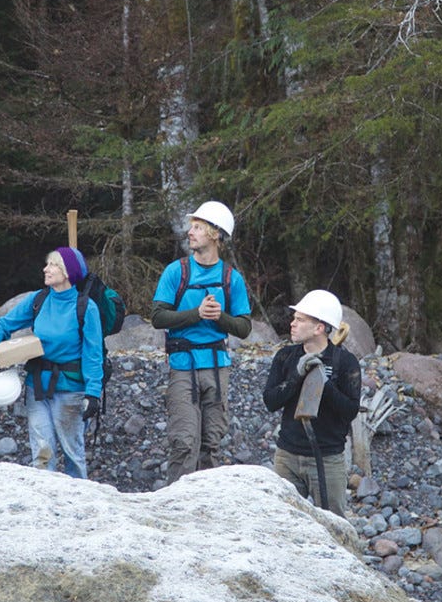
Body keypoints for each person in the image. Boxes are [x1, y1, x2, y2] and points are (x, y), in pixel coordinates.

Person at [152, 201, 252, 483]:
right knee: (184, 442)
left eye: (198, 227)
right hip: (183, 366)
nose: (190, 232)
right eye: (192, 226)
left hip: (218, 366)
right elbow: (158, 317)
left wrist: (219, 317)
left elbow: (244, 328)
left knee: (212, 442)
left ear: (215, 235)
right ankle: (177, 508)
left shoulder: (232, 279)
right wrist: (197, 314)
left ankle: (209, 510)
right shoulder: (176, 271)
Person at [0, 247, 102, 479]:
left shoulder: (86, 308)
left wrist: (93, 393)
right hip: (36, 386)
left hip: (71, 389)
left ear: (68, 272)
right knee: (42, 453)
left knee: (72, 452)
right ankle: (47, 503)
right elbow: (4, 324)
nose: (46, 269)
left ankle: (78, 501)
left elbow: (93, 354)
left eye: (53, 265)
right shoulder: (39, 299)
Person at [262, 290, 362, 516]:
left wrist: (323, 384)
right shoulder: (285, 357)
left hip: (327, 459)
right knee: (283, 522)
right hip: (287, 457)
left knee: (332, 527)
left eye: (300, 319)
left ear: (319, 328)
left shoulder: (345, 362)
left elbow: (350, 411)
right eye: (294, 318)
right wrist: (296, 377)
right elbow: (270, 401)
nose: (292, 324)